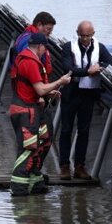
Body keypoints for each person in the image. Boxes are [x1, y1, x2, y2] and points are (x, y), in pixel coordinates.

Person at [9, 32, 72, 196]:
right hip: (26, 112)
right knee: (28, 149)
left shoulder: (29, 59)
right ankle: (19, 188)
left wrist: (51, 93)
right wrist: (60, 82)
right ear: (40, 46)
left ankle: (35, 181)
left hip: (32, 109)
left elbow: (36, 89)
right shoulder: (29, 62)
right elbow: (39, 89)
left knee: (42, 142)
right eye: (46, 48)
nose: (46, 52)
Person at [57, 21, 112, 181]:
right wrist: (87, 71)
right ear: (77, 33)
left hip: (88, 94)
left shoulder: (99, 47)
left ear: (93, 34)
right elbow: (68, 69)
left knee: (84, 131)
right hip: (71, 93)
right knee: (66, 130)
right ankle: (64, 166)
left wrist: (100, 67)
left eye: (88, 36)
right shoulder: (67, 47)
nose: (85, 39)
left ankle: (79, 166)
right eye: (82, 36)